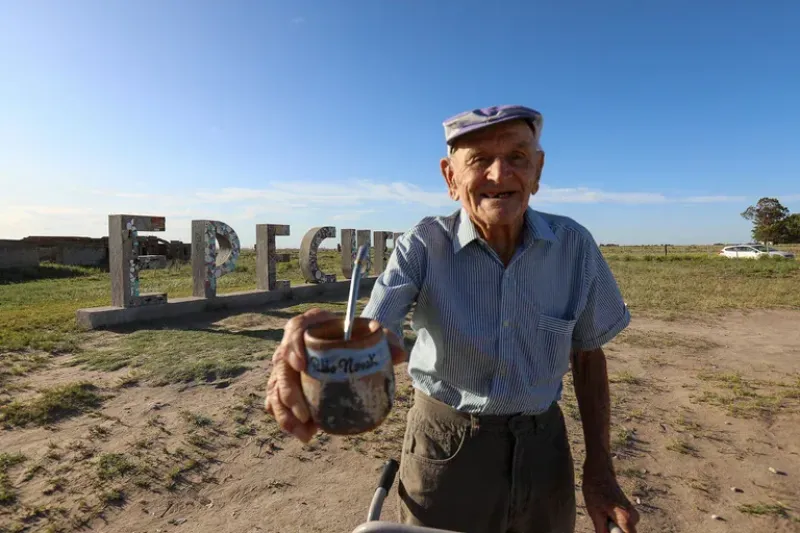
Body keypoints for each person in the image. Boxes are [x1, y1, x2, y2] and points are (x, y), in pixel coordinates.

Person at [265, 105, 640, 533]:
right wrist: (322, 337)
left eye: (517, 157)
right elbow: (375, 330)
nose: (500, 176)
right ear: (450, 178)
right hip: (446, 447)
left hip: (545, 451)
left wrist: (601, 470)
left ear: (537, 171)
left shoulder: (574, 245)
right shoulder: (423, 245)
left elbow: (589, 357)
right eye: (479, 160)